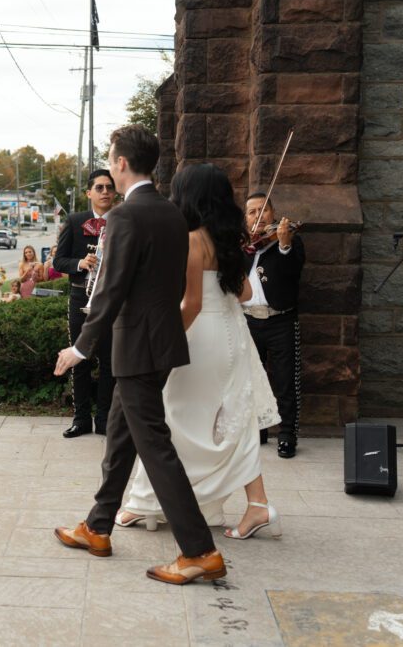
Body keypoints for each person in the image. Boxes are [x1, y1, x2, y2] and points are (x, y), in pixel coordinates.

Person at [52, 124, 225, 585]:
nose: (109, 164)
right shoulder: (171, 212)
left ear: (122, 163)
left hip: (139, 346)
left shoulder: (126, 217)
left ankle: (199, 550)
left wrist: (80, 347)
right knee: (121, 434)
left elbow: (111, 289)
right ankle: (98, 526)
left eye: (111, 157)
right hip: (161, 343)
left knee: (155, 448)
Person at [115, 163, 283, 541]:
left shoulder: (191, 239)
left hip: (200, 335)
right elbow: (243, 294)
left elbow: (190, 304)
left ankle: (143, 503)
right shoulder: (227, 240)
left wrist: (163, 346)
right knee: (232, 419)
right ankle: (255, 504)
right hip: (232, 335)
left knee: (171, 417)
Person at [54, 169, 117, 438]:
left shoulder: (122, 221)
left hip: (111, 300)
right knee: (79, 359)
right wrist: (80, 263)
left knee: (109, 362)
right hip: (81, 296)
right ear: (88, 193)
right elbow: (58, 262)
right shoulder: (75, 220)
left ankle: (103, 419)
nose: (105, 192)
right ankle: (81, 419)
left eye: (109, 188)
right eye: (99, 188)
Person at [242, 192, 305, 458]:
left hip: (280, 319)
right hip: (247, 319)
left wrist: (284, 244)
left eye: (263, 210)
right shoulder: (242, 245)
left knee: (284, 380)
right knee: (250, 380)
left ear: (273, 213)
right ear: (245, 219)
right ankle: (258, 430)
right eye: (252, 211)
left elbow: (292, 270)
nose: (258, 215)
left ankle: (287, 434)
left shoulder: (289, 240)